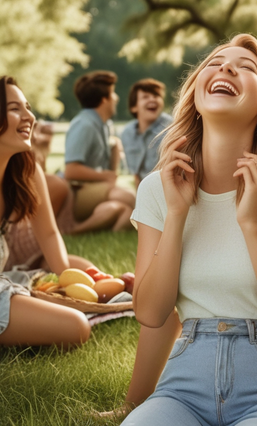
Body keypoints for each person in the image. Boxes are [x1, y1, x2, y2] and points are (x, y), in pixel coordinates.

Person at [121, 34, 257, 426]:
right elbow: (152, 313)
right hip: (183, 388)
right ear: (197, 94)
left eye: (246, 66)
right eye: (216, 63)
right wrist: (176, 214)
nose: (225, 68)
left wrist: (251, 224)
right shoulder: (158, 188)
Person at [0, 76, 91, 347]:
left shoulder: (26, 170)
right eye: (15, 109)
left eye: (28, 107)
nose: (29, 116)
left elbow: (50, 234)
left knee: (82, 270)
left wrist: (69, 288)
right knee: (76, 327)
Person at [64, 71, 135, 231]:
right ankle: (73, 230)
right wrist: (105, 176)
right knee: (129, 197)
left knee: (126, 212)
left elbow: (110, 170)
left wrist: (114, 150)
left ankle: (95, 229)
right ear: (104, 100)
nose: (116, 98)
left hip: (93, 188)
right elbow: (71, 171)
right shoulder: (84, 124)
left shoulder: (104, 125)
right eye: (113, 94)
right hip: (76, 192)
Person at [121, 79, 173, 188]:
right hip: (143, 190)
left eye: (156, 96)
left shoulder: (172, 128)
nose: (152, 99)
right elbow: (136, 175)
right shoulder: (127, 133)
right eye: (145, 97)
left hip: (167, 188)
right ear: (134, 107)